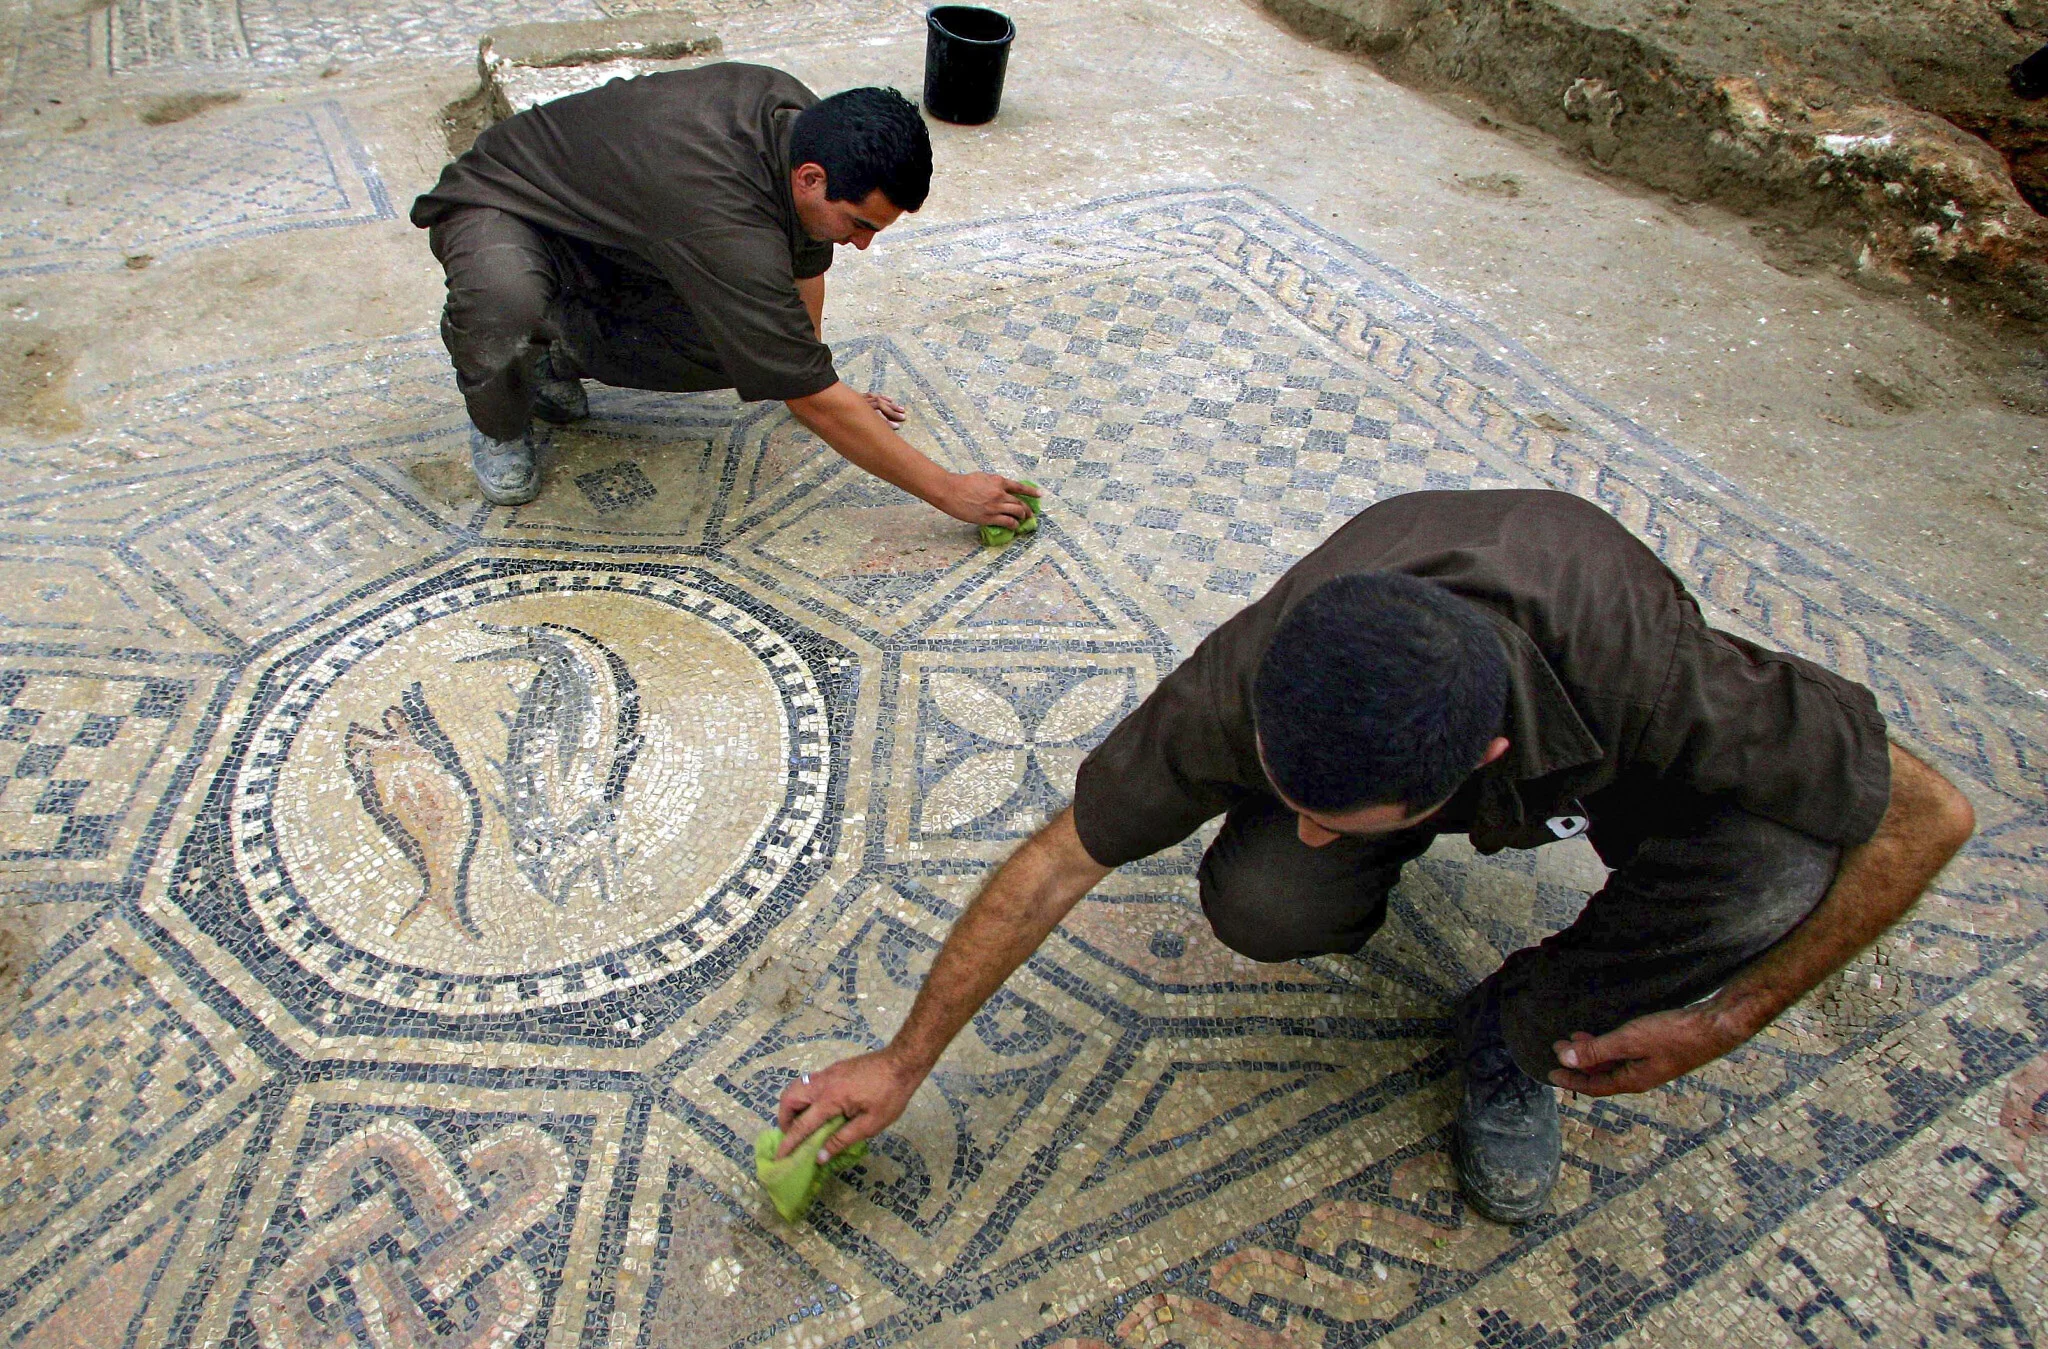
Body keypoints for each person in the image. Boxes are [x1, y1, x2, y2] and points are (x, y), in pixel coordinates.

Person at [775, 489, 1976, 1223]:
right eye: (1288, 793)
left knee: (1774, 869)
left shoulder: (1658, 677)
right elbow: (1051, 864)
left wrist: (1729, 1016)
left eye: (1332, 815)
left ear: (1483, 762)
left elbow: (1931, 814)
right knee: (1265, 895)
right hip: (1429, 697)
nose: (1297, 821)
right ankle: (1365, 870)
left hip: (1601, 710)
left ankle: (1512, 1031)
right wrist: (904, 1055)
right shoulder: (1241, 686)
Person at [411, 63, 1032, 523]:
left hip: (625, 232)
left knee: (749, 349)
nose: (863, 244)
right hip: (507, 205)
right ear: (812, 179)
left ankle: (554, 354)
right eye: (861, 225)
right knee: (504, 300)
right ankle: (501, 406)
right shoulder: (721, 211)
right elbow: (802, 398)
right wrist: (946, 489)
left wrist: (820, 375)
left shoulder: (803, 128)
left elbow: (801, 280)